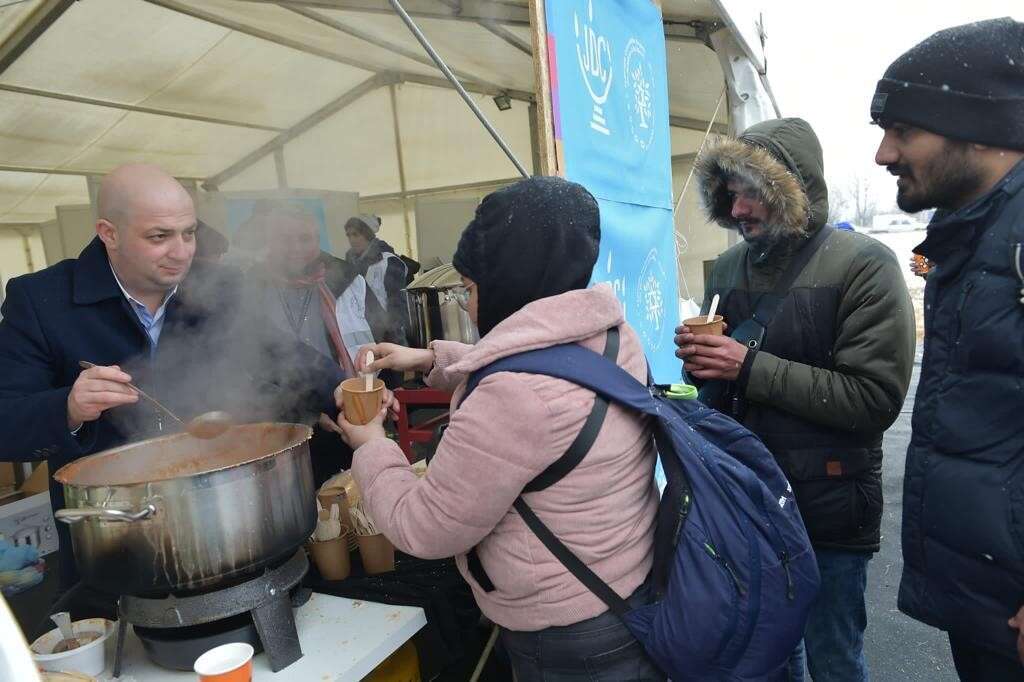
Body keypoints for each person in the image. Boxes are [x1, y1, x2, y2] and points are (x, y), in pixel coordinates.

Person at [334, 177, 664, 681]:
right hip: (626, 590)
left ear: (511, 278)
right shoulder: (615, 335)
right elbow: (551, 370)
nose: (467, 304)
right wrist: (430, 358)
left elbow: (424, 528)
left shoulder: (515, 398)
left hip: (566, 635)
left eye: (469, 288)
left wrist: (371, 444)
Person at [0, 164, 345, 619]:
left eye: (189, 234)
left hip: (226, 533)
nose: (181, 253)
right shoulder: (43, 302)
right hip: (118, 548)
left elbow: (282, 353)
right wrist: (68, 407)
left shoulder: (218, 288)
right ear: (110, 233)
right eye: (159, 237)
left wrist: (344, 393)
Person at [675, 118, 915, 681]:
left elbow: (873, 399)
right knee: (771, 654)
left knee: (833, 658)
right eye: (731, 193)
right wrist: (702, 363)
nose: (738, 210)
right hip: (748, 500)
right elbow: (726, 378)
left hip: (828, 505)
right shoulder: (731, 266)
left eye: (753, 192)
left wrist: (747, 365)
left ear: (793, 189)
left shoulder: (865, 263)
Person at [870, 17, 1024, 681]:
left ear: (977, 126)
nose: (882, 153)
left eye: (902, 129)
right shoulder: (972, 233)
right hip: (989, 604)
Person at [246, 205, 380, 482]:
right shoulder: (250, 288)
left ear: (317, 240)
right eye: (285, 239)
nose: (296, 247)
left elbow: (384, 338)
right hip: (283, 424)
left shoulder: (346, 279)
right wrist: (303, 412)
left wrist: (376, 397)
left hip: (349, 417)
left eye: (305, 239)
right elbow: (245, 369)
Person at [344, 215, 409, 345]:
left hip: (388, 336)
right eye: (349, 235)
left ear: (367, 234)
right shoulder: (349, 265)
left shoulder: (389, 262)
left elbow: (398, 303)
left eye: (356, 234)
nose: (352, 240)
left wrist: (393, 336)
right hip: (362, 333)